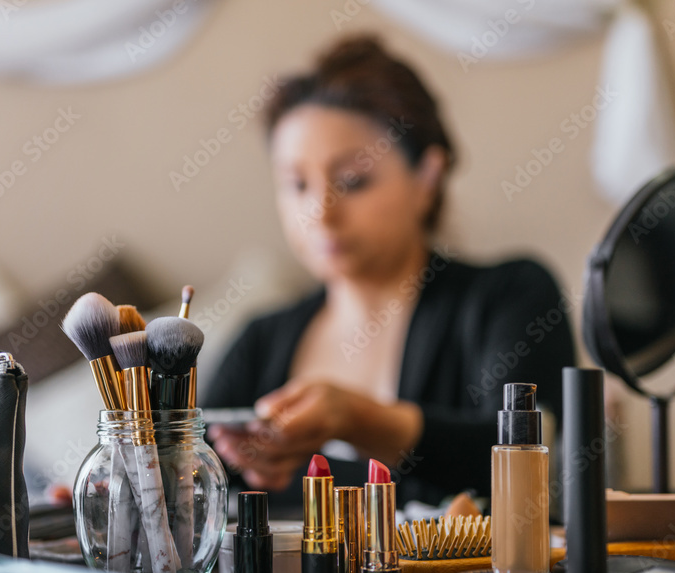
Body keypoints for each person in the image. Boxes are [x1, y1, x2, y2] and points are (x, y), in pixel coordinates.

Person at [203, 36, 575, 507]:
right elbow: (193, 479)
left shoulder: (511, 295)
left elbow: (526, 463)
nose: (320, 211)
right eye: (296, 184)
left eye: (353, 181)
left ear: (427, 178)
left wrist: (355, 419)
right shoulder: (260, 340)